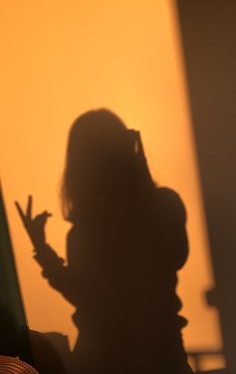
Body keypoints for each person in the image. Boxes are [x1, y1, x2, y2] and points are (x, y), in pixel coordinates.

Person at [15, 108, 193, 374]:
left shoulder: (86, 231)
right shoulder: (164, 205)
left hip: (103, 358)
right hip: (163, 355)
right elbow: (176, 254)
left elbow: (82, 295)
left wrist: (42, 248)